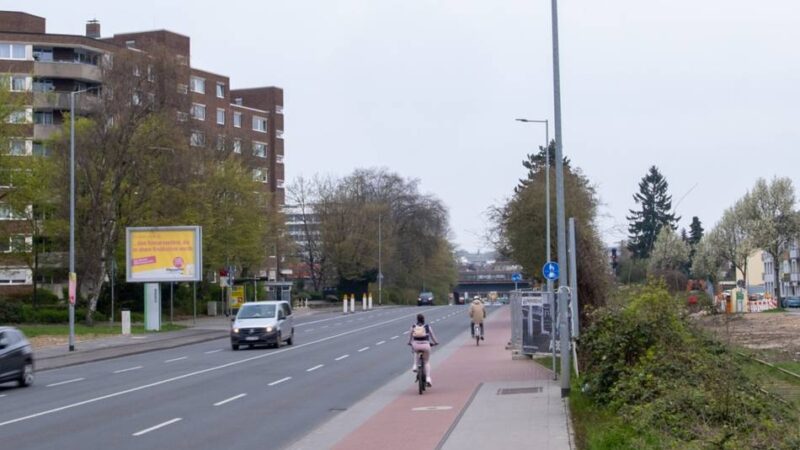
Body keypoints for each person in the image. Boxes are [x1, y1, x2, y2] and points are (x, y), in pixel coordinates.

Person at [408, 313, 438, 387]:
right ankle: (428, 378)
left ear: (417, 319)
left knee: (415, 351)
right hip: (426, 346)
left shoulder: (413, 326)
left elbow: (410, 337)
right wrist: (435, 342)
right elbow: (432, 336)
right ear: (424, 319)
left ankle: (415, 365)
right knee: (426, 362)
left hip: (416, 345)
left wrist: (409, 343)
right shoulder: (427, 327)